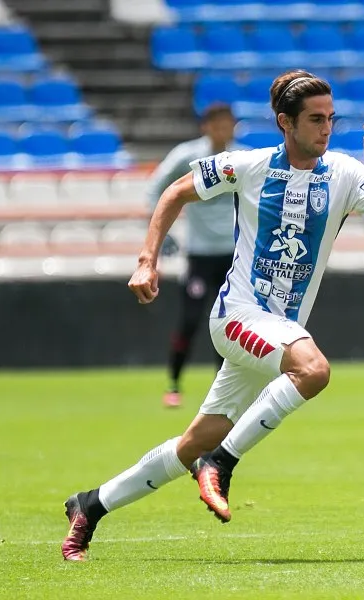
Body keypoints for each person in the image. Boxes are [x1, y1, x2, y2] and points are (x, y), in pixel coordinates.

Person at [61, 69, 364, 561]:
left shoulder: (346, 174)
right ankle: (221, 462)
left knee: (190, 443)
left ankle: (90, 505)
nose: (327, 129)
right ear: (285, 122)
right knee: (313, 370)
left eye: (331, 118)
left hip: (279, 330)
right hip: (238, 316)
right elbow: (174, 191)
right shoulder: (247, 165)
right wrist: (147, 260)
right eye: (315, 119)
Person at [148, 103, 240, 408]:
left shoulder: (243, 158)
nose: (223, 131)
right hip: (200, 255)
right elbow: (155, 189)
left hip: (234, 257)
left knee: (227, 325)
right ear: (206, 127)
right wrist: (163, 233)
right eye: (218, 125)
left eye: (228, 124)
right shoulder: (188, 157)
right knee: (190, 320)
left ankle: (221, 392)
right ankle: (173, 383)